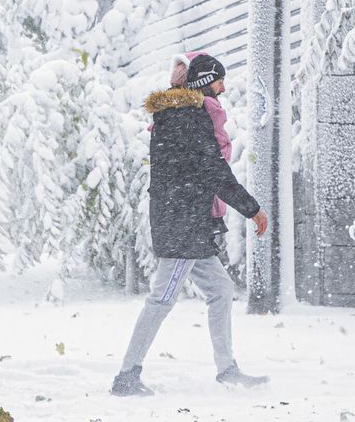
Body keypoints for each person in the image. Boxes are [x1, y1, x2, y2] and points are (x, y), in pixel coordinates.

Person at [111, 54, 270, 396]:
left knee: (221, 290)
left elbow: (198, 172)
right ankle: (127, 375)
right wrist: (252, 209)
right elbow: (213, 171)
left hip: (189, 224)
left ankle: (227, 369)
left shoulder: (178, 115)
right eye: (218, 80)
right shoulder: (187, 118)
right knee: (161, 301)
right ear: (202, 82)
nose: (223, 87)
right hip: (183, 226)